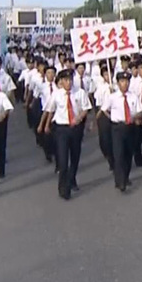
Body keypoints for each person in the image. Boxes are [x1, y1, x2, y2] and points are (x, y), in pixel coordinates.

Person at [41, 70, 92, 200]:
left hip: (75, 128)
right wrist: (46, 125)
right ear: (61, 81)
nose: (68, 83)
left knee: (75, 156)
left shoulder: (79, 92)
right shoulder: (56, 95)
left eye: (70, 80)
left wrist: (79, 118)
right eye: (65, 80)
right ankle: (64, 188)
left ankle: (72, 178)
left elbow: (86, 108)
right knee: (63, 160)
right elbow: (50, 110)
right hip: (61, 129)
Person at [101, 71, 142, 192]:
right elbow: (104, 109)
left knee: (128, 154)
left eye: (127, 81)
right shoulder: (112, 97)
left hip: (131, 127)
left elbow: (141, 110)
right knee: (118, 154)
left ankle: (125, 176)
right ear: (118, 83)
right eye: (122, 81)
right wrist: (112, 118)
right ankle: (120, 181)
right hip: (117, 128)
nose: (125, 84)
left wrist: (137, 116)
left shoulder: (133, 96)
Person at [93, 65, 114, 171]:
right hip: (104, 114)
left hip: (116, 114)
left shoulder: (116, 85)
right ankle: (109, 157)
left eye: (109, 74)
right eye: (105, 74)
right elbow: (99, 104)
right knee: (105, 139)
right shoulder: (101, 88)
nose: (108, 76)